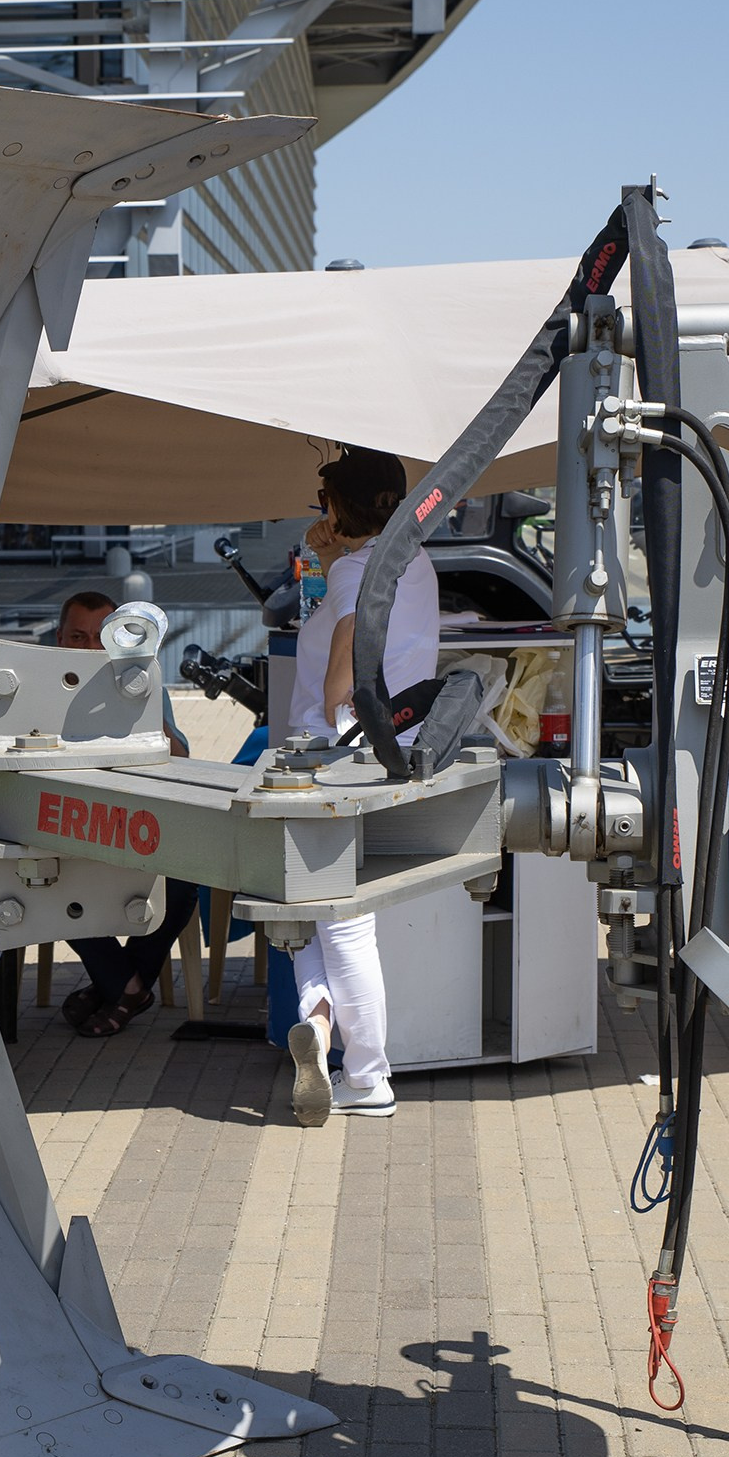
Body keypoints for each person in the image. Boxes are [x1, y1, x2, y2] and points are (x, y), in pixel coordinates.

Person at [282, 448, 439, 1123]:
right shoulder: (411, 559)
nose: (320, 514)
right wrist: (327, 556)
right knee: (313, 911)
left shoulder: (355, 569)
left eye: (324, 502)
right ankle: (318, 1029)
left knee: (338, 918)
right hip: (383, 754)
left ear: (343, 505)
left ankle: (368, 1074)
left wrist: (334, 709)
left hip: (329, 761)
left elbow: (342, 676)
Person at [55, 590, 197, 1038]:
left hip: (132, 824)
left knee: (185, 879)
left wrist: (140, 708)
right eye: (78, 637)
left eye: (101, 638)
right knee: (47, 882)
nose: (91, 649)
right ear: (59, 639)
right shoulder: (41, 684)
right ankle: (125, 987)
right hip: (69, 825)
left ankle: (116, 987)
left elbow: (182, 756)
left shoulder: (140, 679)